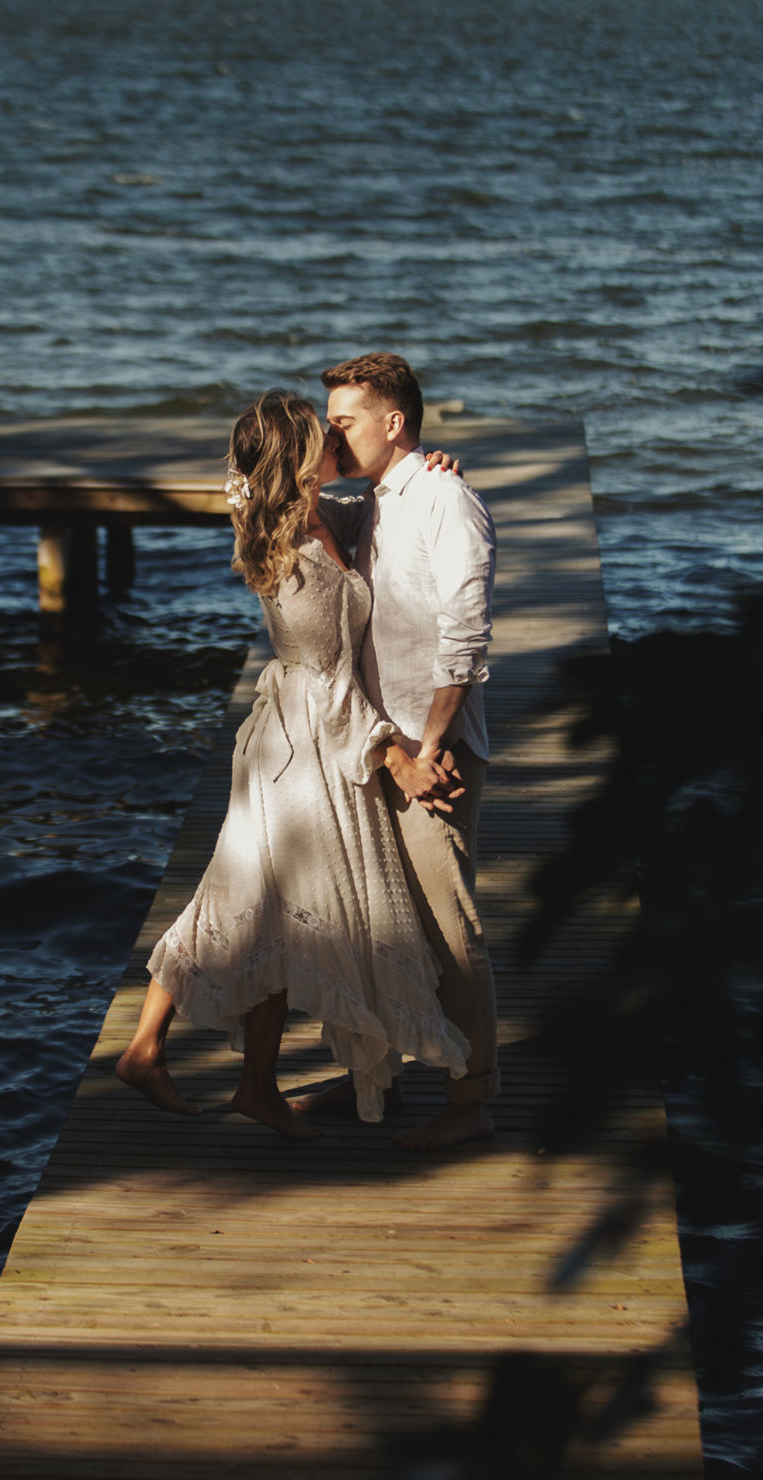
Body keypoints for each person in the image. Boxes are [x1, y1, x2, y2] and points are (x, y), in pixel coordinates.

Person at [115, 390, 470, 1139]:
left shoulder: (314, 517)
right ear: (301, 458)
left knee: (266, 912)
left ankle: (241, 1082)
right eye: (324, 434)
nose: (336, 439)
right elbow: (329, 685)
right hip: (302, 747)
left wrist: (422, 470)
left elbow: (373, 511)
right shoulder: (301, 556)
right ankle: (153, 1052)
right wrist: (396, 758)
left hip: (296, 734)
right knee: (249, 906)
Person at [292, 352, 498, 1150]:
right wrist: (316, 463)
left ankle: (470, 1101)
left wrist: (432, 743)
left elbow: (466, 634)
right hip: (378, 749)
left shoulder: (444, 499)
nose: (332, 436)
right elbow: (290, 517)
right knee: (376, 925)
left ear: (394, 422)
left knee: (448, 930)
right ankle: (373, 1078)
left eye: (342, 422)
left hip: (430, 750)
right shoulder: (371, 501)